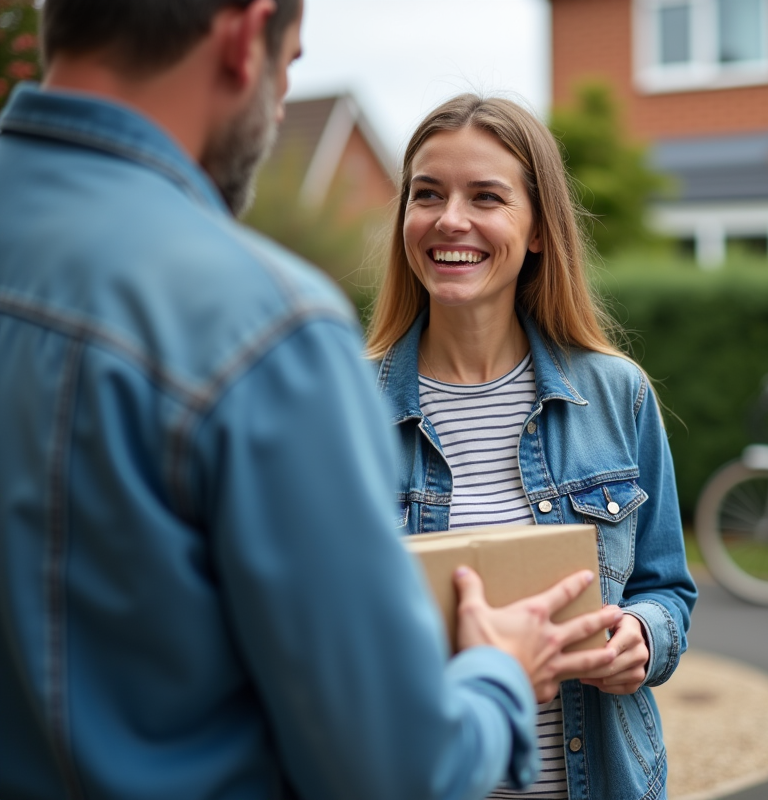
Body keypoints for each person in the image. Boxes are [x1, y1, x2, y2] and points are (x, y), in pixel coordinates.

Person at [0, 2, 625, 799]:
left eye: (487, 198)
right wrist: (499, 674)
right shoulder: (262, 332)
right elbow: (392, 769)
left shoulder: (612, 392)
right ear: (244, 36)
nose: (279, 109)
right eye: (290, 65)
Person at [365, 94, 698, 800]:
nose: (450, 219)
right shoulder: (341, 410)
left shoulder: (618, 395)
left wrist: (643, 636)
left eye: (486, 196)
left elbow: (666, 587)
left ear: (539, 228)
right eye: (428, 194)